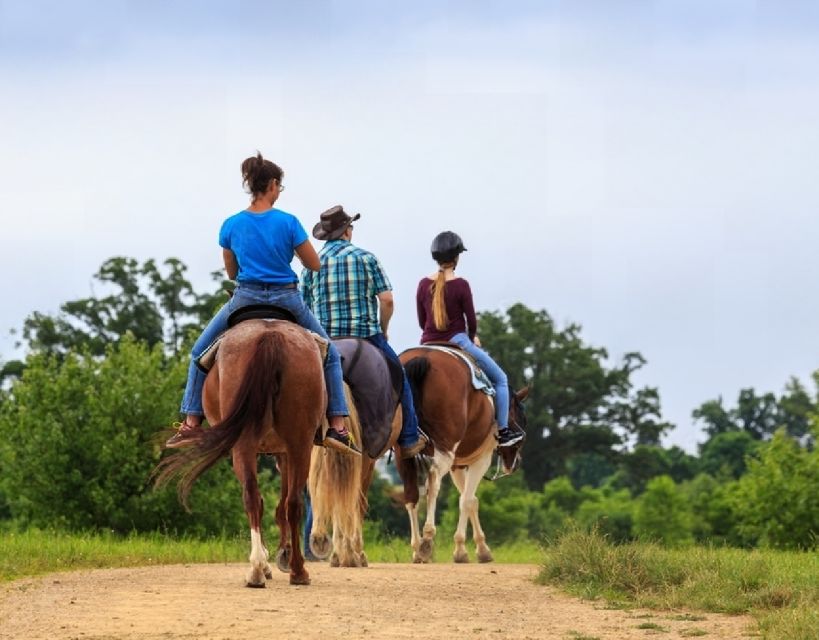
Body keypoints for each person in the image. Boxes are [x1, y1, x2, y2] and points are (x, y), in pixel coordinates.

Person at [166, 153, 359, 456]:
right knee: (331, 354)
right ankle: (337, 426)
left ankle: (190, 422)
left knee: (198, 354)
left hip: (245, 298)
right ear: (271, 185)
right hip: (287, 299)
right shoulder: (288, 222)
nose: (279, 191)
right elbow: (314, 264)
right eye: (279, 186)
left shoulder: (231, 225)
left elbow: (231, 272)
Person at [301, 205, 428, 458]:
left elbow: (303, 307)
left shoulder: (311, 265)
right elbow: (387, 300)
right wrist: (383, 330)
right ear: (347, 231)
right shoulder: (366, 258)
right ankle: (410, 437)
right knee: (400, 377)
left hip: (324, 340)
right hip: (365, 334)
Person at [416, 231, 523, 448]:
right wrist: (472, 336)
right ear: (456, 257)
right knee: (501, 380)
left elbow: (422, 320)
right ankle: (503, 431)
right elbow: (471, 321)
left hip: (427, 342)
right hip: (457, 340)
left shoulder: (422, 284)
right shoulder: (461, 285)